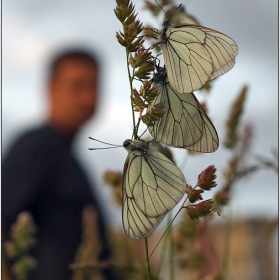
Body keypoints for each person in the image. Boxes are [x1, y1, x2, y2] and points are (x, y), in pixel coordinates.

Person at [2, 49, 116, 280]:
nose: (88, 98)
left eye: (94, 86)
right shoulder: (38, 145)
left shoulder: (66, 154)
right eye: (77, 86)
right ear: (51, 89)